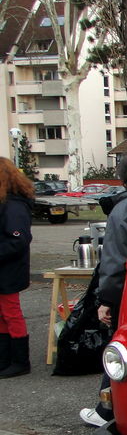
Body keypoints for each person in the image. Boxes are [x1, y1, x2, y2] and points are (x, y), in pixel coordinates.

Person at [79, 152, 127, 426]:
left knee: (120, 350)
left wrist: (106, 300)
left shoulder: (122, 210)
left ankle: (108, 411)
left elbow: (114, 261)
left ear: (123, 179)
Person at [0, 158, 35, 379]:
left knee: (11, 314)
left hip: (9, 270)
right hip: (5, 268)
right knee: (3, 315)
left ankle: (20, 361)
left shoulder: (14, 206)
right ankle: (6, 358)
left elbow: (19, 239)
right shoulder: (8, 204)